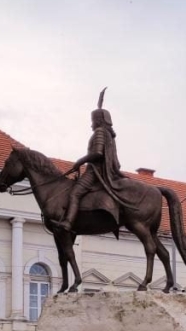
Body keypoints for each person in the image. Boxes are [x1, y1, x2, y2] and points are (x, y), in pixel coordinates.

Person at [52, 88, 130, 232]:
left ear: (99, 120)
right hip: (103, 170)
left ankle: (68, 222)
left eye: (93, 120)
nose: (91, 123)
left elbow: (98, 154)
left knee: (75, 193)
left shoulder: (100, 132)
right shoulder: (109, 134)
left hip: (95, 171)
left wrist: (80, 161)